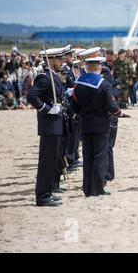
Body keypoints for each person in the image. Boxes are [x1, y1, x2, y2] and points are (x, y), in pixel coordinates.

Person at [70, 56, 122, 197]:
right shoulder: (103, 84)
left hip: (85, 124)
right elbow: (112, 107)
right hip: (101, 124)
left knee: (88, 156)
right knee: (99, 156)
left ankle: (87, 188)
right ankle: (97, 189)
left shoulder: (78, 83)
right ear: (99, 68)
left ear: (86, 67)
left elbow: (73, 106)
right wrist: (118, 112)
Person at [27, 45, 71, 207]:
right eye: (59, 59)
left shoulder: (53, 76)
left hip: (56, 125)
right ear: (50, 60)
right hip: (50, 126)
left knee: (52, 162)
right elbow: (32, 96)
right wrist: (47, 109)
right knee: (47, 162)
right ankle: (42, 196)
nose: (61, 62)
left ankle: (47, 192)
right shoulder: (45, 77)